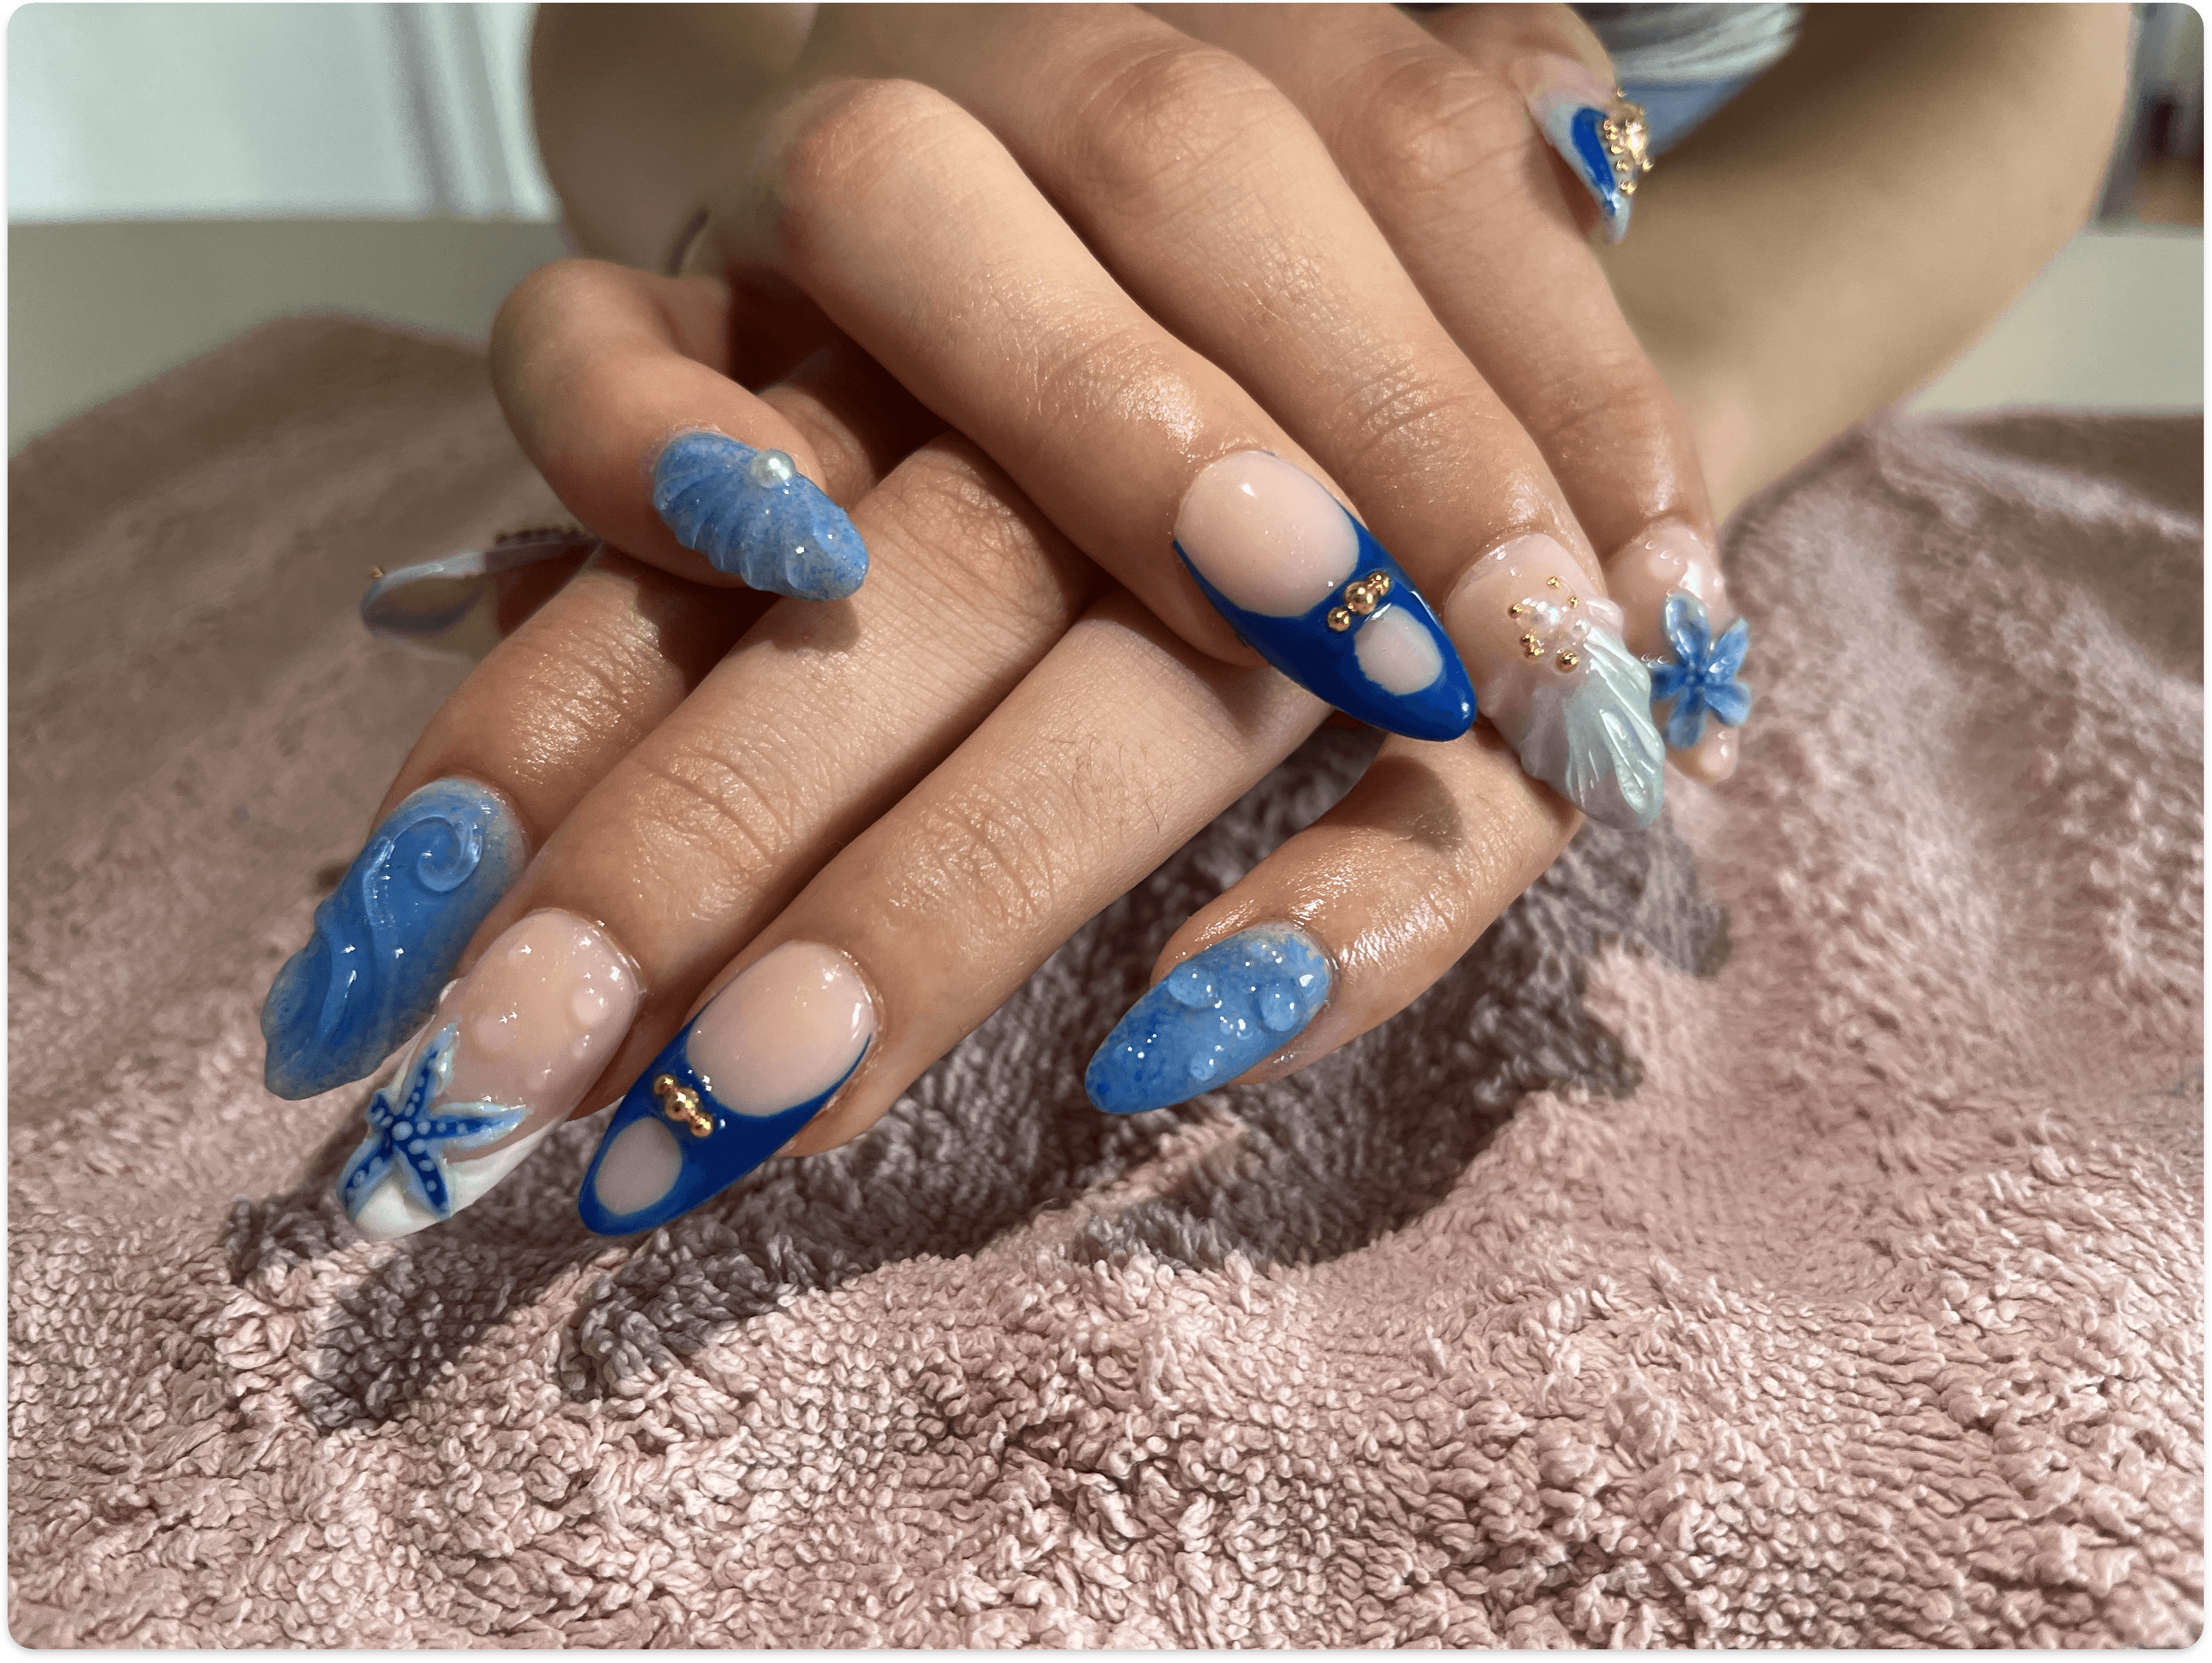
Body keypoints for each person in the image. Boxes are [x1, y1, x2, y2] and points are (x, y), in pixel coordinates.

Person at [266, 3, 2131, 1240]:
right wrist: (798, 182)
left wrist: (1620, 387)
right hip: (936, 140)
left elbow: (2024, 32)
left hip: (1687, 201)